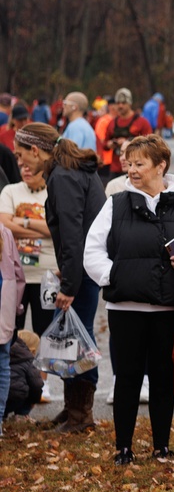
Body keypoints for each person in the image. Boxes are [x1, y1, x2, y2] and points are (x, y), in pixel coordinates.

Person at [84, 135, 174, 464]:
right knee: (126, 379)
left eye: (139, 163)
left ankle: (162, 447)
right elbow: (92, 251)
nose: (131, 170)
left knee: (162, 379)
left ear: (161, 166)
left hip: (171, 310)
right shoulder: (114, 205)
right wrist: (113, 276)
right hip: (125, 309)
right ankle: (123, 448)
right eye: (129, 163)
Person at [13, 122, 105, 433]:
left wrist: (69, 284)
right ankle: (72, 408)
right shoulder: (70, 171)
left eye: (21, 155)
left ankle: (82, 415)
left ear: (36, 151)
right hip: (82, 267)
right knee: (71, 337)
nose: (19, 162)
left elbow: (72, 234)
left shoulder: (63, 177)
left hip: (82, 270)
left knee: (77, 339)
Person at [0, 151, 57, 402]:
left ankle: (43, 385)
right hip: (16, 273)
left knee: (46, 331)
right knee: (14, 331)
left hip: (48, 273)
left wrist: (19, 222)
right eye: (22, 168)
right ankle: (15, 383)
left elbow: (55, 229)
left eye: (31, 168)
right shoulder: (10, 191)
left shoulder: (52, 193)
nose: (26, 171)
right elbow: (3, 225)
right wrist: (36, 225)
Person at [0, 222, 26, 426]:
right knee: (2, 365)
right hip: (3, 313)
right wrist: (15, 309)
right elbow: (18, 276)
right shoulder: (4, 232)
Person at [105, 89, 152, 180]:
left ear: (129, 103)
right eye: (118, 103)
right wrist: (110, 144)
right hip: (115, 168)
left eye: (123, 103)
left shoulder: (141, 122)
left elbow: (150, 144)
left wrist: (129, 143)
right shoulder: (112, 123)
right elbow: (104, 143)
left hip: (136, 169)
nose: (120, 106)